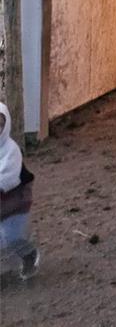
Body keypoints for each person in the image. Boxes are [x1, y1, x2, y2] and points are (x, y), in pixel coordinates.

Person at [0, 101, 37, 280]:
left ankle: (29, 254)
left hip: (16, 200)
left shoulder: (11, 150)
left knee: (12, 237)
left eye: (0, 123)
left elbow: (8, 177)